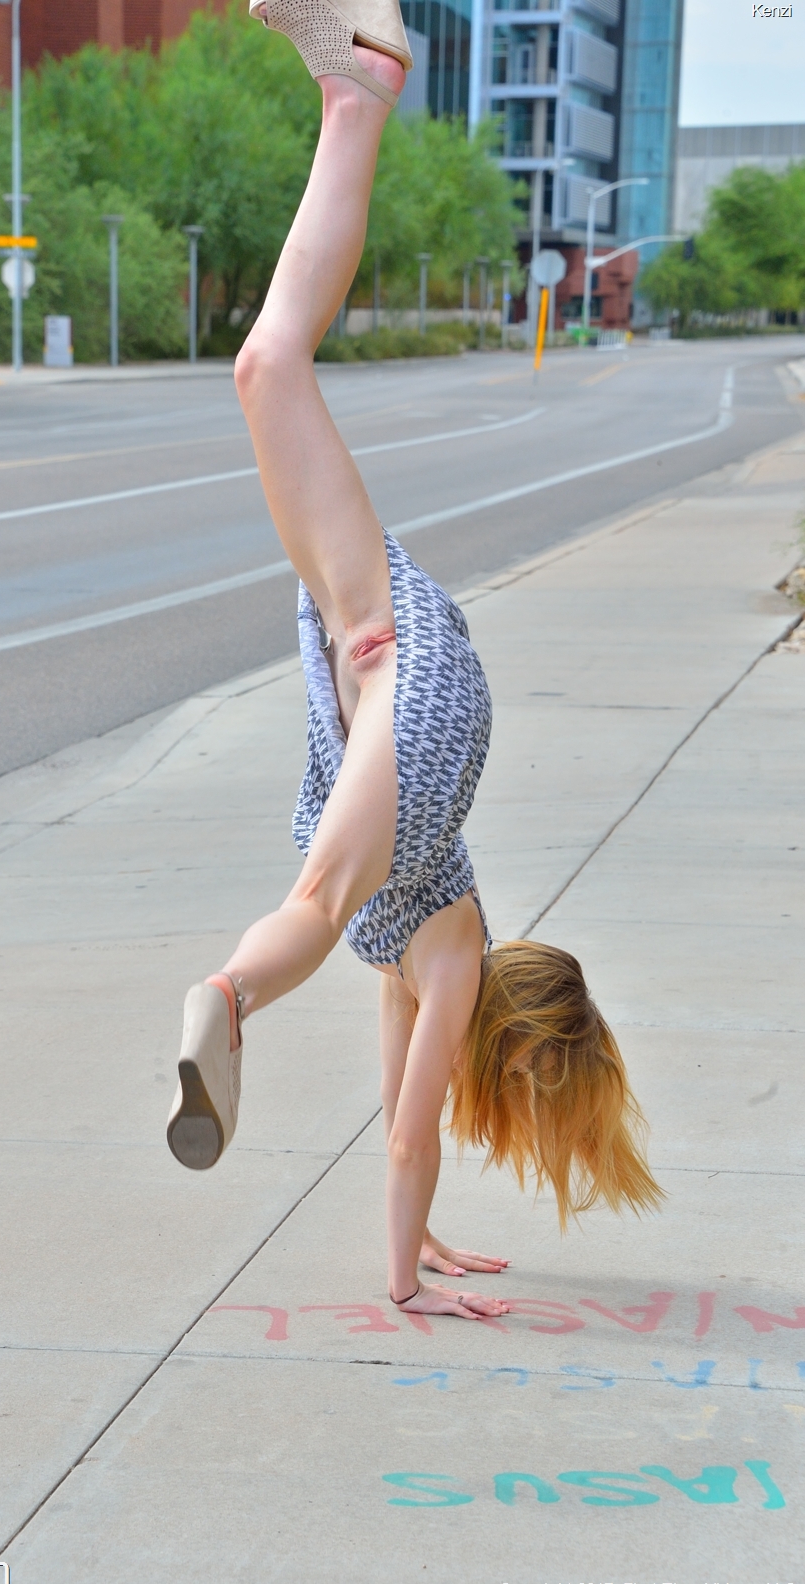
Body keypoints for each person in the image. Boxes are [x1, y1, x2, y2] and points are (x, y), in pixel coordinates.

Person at [166, 0, 663, 1321]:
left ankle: (358, 91)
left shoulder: (433, 952)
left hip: (381, 675)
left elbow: (405, 1125)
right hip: (414, 695)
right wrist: (407, 1284)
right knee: (320, 907)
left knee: (269, 369)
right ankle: (224, 996)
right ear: (511, 1036)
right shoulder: (443, 964)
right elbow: (404, 1134)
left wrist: (426, 1230)